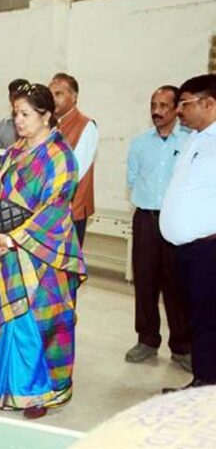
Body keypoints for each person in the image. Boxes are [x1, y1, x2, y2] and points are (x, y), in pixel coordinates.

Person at [0, 83, 87, 419]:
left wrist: (14, 239)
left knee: (43, 319)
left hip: (45, 252)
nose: (18, 121)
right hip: (9, 248)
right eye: (15, 114)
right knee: (12, 315)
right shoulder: (15, 151)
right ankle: (8, 380)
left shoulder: (60, 156)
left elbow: (55, 208)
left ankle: (44, 391)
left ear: (46, 115)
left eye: (25, 114)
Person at [125, 86, 191, 370]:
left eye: (164, 105)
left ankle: (182, 347)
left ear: (177, 109)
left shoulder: (190, 142)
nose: (157, 111)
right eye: (153, 105)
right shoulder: (140, 143)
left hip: (176, 220)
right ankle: (147, 340)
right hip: (146, 221)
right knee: (145, 282)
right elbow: (132, 179)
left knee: (176, 285)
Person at [160, 73, 216, 392]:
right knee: (196, 318)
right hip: (186, 250)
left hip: (208, 249)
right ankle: (202, 380)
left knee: (208, 320)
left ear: (209, 103)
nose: (178, 110)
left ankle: (207, 387)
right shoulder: (195, 138)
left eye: (185, 103)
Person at [0, 78, 30, 298]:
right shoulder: (1, 127)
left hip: (27, 196)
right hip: (5, 194)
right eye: (14, 95)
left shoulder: (41, 131)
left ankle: (22, 286)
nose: (21, 121)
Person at [49, 73, 98, 247]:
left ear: (74, 96)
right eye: (51, 94)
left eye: (59, 94)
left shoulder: (86, 125)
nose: (53, 99)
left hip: (72, 208)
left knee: (68, 259)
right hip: (47, 206)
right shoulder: (49, 124)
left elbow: (75, 171)